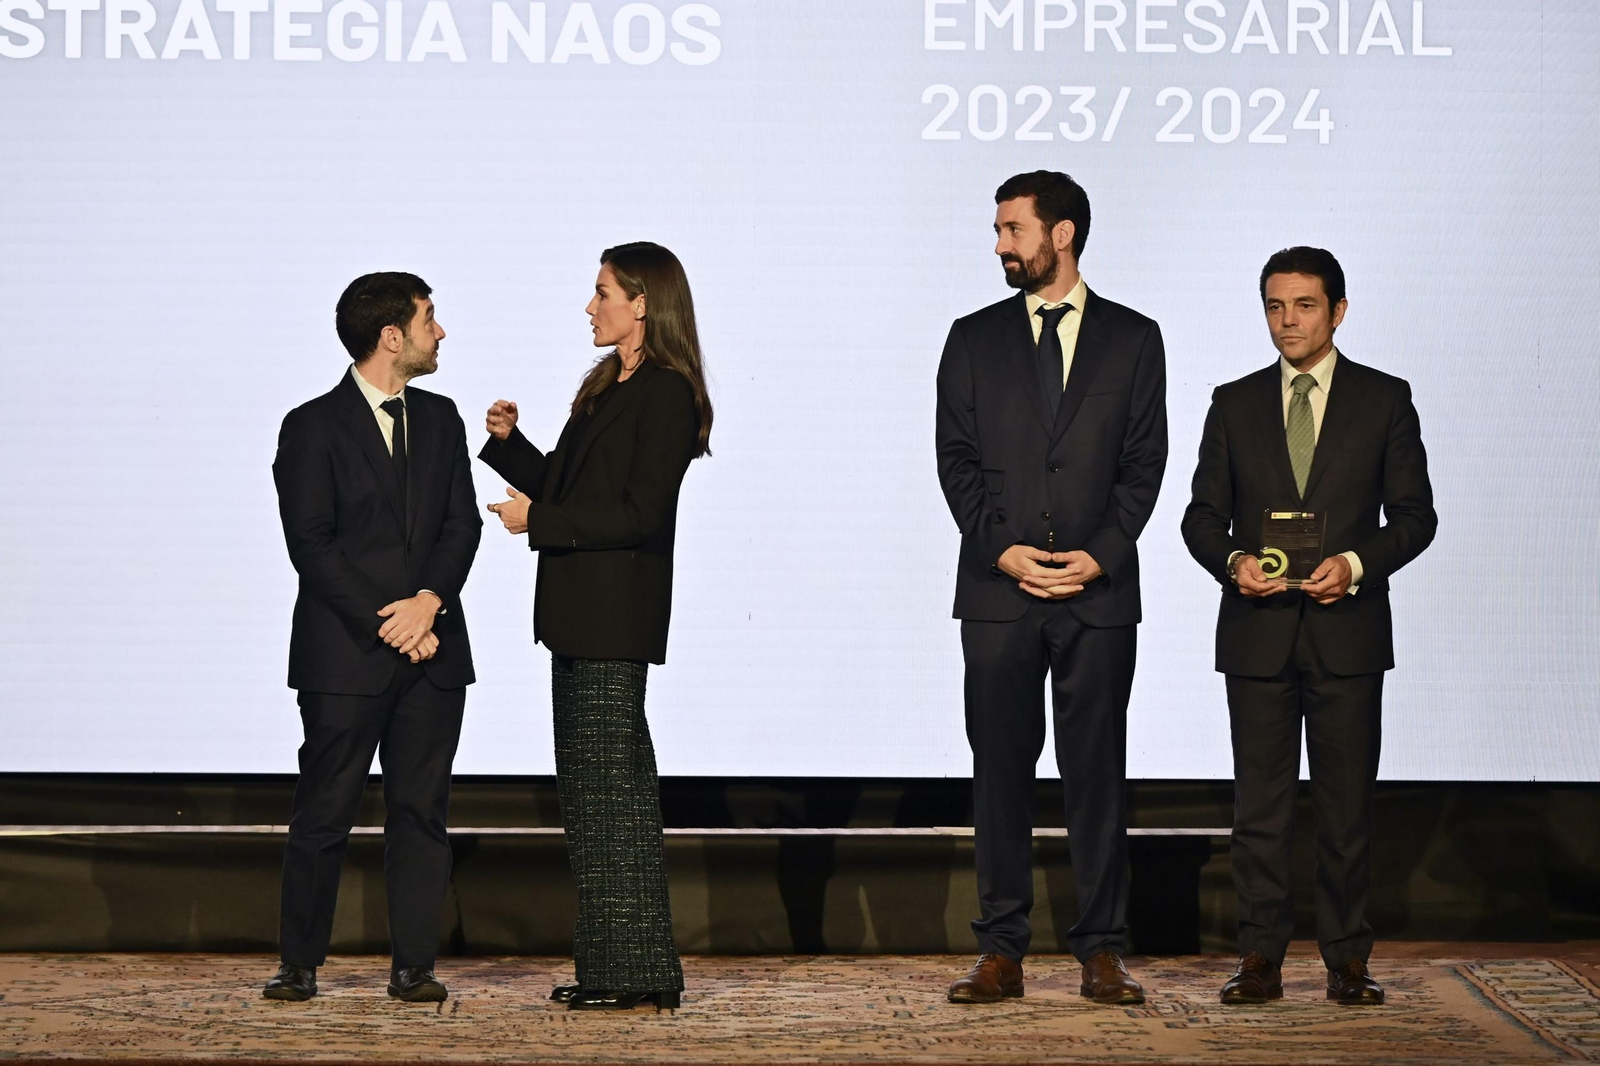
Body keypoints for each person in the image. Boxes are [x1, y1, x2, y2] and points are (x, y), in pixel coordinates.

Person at [1181, 247, 1436, 1006]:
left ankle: (1346, 960)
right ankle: (1259, 959)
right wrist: (1233, 563)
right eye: (1273, 306)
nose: (1287, 321)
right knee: (1258, 809)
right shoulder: (1232, 402)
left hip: (1347, 633)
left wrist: (1356, 564)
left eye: (1304, 306)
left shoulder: (1385, 399)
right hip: (1257, 634)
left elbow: (1416, 519)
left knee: (1344, 808)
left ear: (1339, 311)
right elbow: (1200, 517)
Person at [935, 172, 1168, 1005]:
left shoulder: (1136, 339)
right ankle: (1001, 948)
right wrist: (1002, 552)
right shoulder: (971, 337)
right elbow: (955, 462)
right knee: (999, 769)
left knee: (1096, 771)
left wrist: (1099, 555)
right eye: (998, 230)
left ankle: (1101, 948)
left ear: (1060, 235)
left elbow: (1145, 467)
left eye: (1012, 229)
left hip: (1098, 595)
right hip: (998, 593)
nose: (1000, 244)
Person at [480, 241, 712, 1012]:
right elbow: (574, 488)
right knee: (591, 798)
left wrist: (538, 520)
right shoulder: (608, 384)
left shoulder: (668, 395)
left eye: (602, 290)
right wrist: (513, 451)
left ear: (643, 301)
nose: (591, 305)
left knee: (615, 796)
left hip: (614, 619)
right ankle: (614, 965)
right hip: (579, 618)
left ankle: (640, 972)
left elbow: (637, 514)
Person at [265, 272, 482, 1003]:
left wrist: (428, 603)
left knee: (421, 813)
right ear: (393, 335)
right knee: (324, 811)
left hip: (432, 656)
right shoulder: (311, 426)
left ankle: (413, 965)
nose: (440, 331)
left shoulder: (445, 419)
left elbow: (463, 525)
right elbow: (313, 546)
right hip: (346, 657)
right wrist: (394, 621)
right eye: (429, 318)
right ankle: (300, 962)